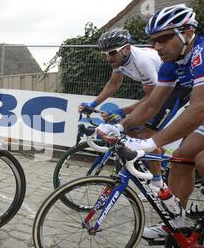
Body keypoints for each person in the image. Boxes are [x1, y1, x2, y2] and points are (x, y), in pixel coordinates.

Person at [95, 4, 204, 248]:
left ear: (187, 33)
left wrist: (151, 142)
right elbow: (153, 104)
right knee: (181, 156)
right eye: (154, 40)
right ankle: (177, 222)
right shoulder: (171, 63)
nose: (158, 47)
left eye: (164, 38)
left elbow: (200, 109)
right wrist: (120, 126)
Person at [79, 28, 190, 192]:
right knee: (131, 131)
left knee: (146, 134)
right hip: (160, 90)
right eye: (104, 54)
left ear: (126, 49)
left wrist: (123, 112)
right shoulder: (120, 60)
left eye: (111, 53)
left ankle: (158, 184)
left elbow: (154, 98)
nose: (108, 58)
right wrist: (93, 104)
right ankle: (161, 159)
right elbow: (114, 83)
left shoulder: (142, 61)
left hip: (176, 90)